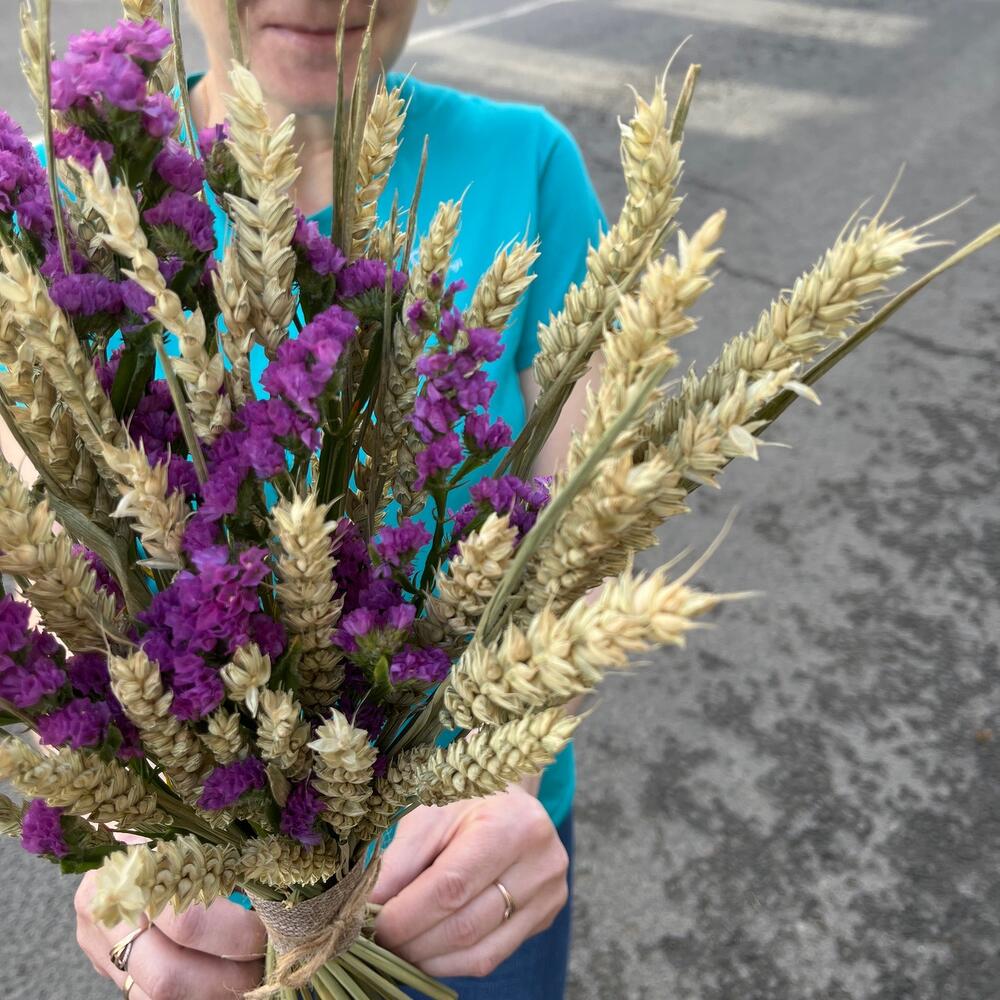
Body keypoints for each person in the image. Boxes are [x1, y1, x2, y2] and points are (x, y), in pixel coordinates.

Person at [66, 2, 607, 997]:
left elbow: (592, 521)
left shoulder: (525, 167)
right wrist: (125, 836)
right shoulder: (73, 203)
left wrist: (505, 780)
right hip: (212, 907)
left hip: (469, 859)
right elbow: (47, 565)